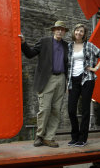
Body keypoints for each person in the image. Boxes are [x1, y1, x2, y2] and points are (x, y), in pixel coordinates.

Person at [20, 20, 69, 148]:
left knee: (56, 111)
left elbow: (68, 65)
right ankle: (39, 136)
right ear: (53, 30)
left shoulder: (66, 45)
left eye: (62, 29)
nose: (59, 31)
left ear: (64, 32)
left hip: (61, 79)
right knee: (44, 109)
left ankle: (49, 138)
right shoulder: (44, 41)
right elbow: (30, 54)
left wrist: (68, 82)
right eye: (57, 29)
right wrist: (23, 43)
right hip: (47, 79)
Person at [67, 23, 100, 147]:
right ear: (74, 32)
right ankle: (74, 136)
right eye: (77, 30)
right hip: (73, 80)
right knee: (71, 110)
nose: (79, 33)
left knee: (85, 109)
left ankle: (82, 138)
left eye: (81, 31)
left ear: (84, 34)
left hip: (87, 79)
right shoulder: (69, 46)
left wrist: (96, 68)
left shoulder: (89, 45)